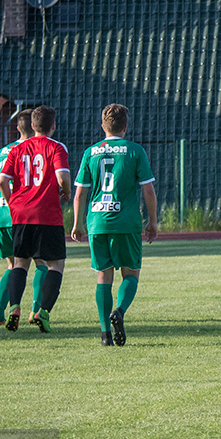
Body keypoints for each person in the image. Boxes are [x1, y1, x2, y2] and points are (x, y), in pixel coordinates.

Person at [71, 104, 158, 347]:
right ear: (125, 127)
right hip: (126, 221)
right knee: (130, 273)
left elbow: (79, 194)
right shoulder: (134, 151)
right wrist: (152, 221)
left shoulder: (90, 152)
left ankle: (104, 335)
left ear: (103, 127)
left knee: (103, 276)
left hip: (97, 222)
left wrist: (78, 224)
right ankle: (119, 312)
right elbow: (148, 189)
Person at [0, 105, 71, 333]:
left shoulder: (17, 149)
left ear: (32, 125)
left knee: (20, 262)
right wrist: (66, 192)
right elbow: (62, 178)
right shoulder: (56, 147)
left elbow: (2, 182)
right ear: (53, 125)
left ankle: (15, 308)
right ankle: (43, 311)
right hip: (47, 214)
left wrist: (13, 204)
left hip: (21, 214)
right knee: (55, 264)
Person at [0, 109, 49, 326]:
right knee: (41, 262)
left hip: (0, 219)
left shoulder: (1, 152)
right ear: (34, 127)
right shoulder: (32, 151)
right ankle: (36, 310)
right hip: (22, 216)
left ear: (17, 127)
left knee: (12, 265)